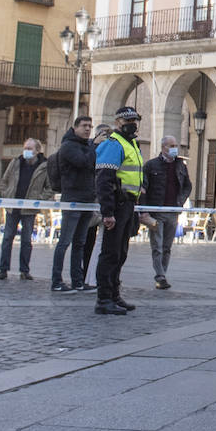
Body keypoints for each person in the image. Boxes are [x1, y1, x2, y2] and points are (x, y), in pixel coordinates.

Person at [93, 108, 143, 314]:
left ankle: (114, 294)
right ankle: (103, 299)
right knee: (110, 253)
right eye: (128, 120)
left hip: (128, 204)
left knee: (120, 253)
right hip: (117, 204)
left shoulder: (131, 144)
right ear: (118, 121)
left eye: (135, 120)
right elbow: (104, 180)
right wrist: (108, 212)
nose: (133, 123)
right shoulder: (114, 145)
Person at [140, 135, 191, 289]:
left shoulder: (181, 166)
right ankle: (160, 276)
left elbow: (187, 186)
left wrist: (180, 201)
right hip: (156, 211)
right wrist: (144, 210)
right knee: (157, 245)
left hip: (173, 211)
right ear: (163, 147)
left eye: (176, 145)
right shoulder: (151, 165)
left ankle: (163, 274)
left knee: (167, 246)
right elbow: (143, 188)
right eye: (171, 145)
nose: (175, 148)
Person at [51, 117, 95, 293]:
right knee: (65, 241)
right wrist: (93, 146)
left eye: (90, 126)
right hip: (72, 198)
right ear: (75, 127)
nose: (88, 129)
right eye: (84, 126)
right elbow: (84, 162)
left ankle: (78, 280)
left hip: (86, 198)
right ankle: (56, 281)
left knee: (80, 242)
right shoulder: (68, 146)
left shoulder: (87, 146)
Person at [0, 138, 48, 280]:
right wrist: (7, 195)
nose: (26, 151)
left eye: (30, 149)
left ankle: (24, 270)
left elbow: (49, 188)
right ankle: (3, 269)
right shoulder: (15, 162)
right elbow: (4, 181)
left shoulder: (44, 166)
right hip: (13, 207)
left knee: (26, 240)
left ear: (37, 151)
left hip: (29, 209)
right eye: (25, 148)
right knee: (7, 238)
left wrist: (40, 199)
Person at [81, 123, 112, 287]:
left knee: (103, 242)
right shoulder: (89, 147)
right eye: (103, 133)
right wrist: (94, 145)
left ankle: (97, 276)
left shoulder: (112, 148)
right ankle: (85, 274)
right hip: (90, 199)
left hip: (104, 200)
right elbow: (86, 164)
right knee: (86, 239)